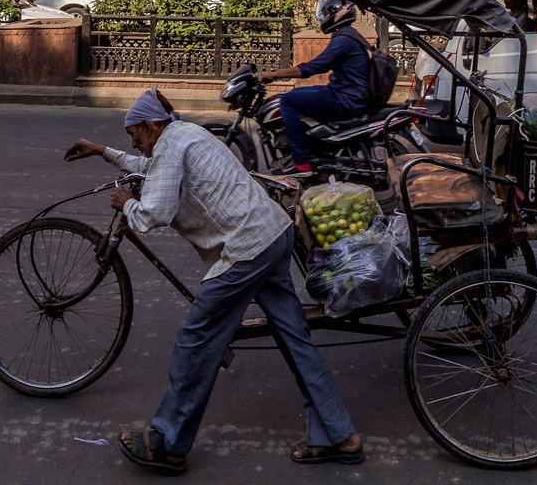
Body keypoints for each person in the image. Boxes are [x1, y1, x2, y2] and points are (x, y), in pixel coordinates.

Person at [64, 89, 361, 474]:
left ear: (150, 125)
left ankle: (167, 443)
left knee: (197, 339)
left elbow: (155, 213)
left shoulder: (170, 147)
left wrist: (128, 204)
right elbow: (149, 165)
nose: (133, 142)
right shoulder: (183, 133)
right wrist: (102, 150)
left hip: (247, 248)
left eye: (134, 133)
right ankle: (340, 435)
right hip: (272, 233)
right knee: (294, 338)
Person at [256, 0, 373, 176]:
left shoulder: (343, 39)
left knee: (287, 100)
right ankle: (311, 145)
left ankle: (301, 162)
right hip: (345, 92)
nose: (323, 18)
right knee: (296, 93)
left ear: (337, 15)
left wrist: (273, 74)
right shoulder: (348, 34)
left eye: (326, 14)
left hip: (345, 98)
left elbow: (313, 67)